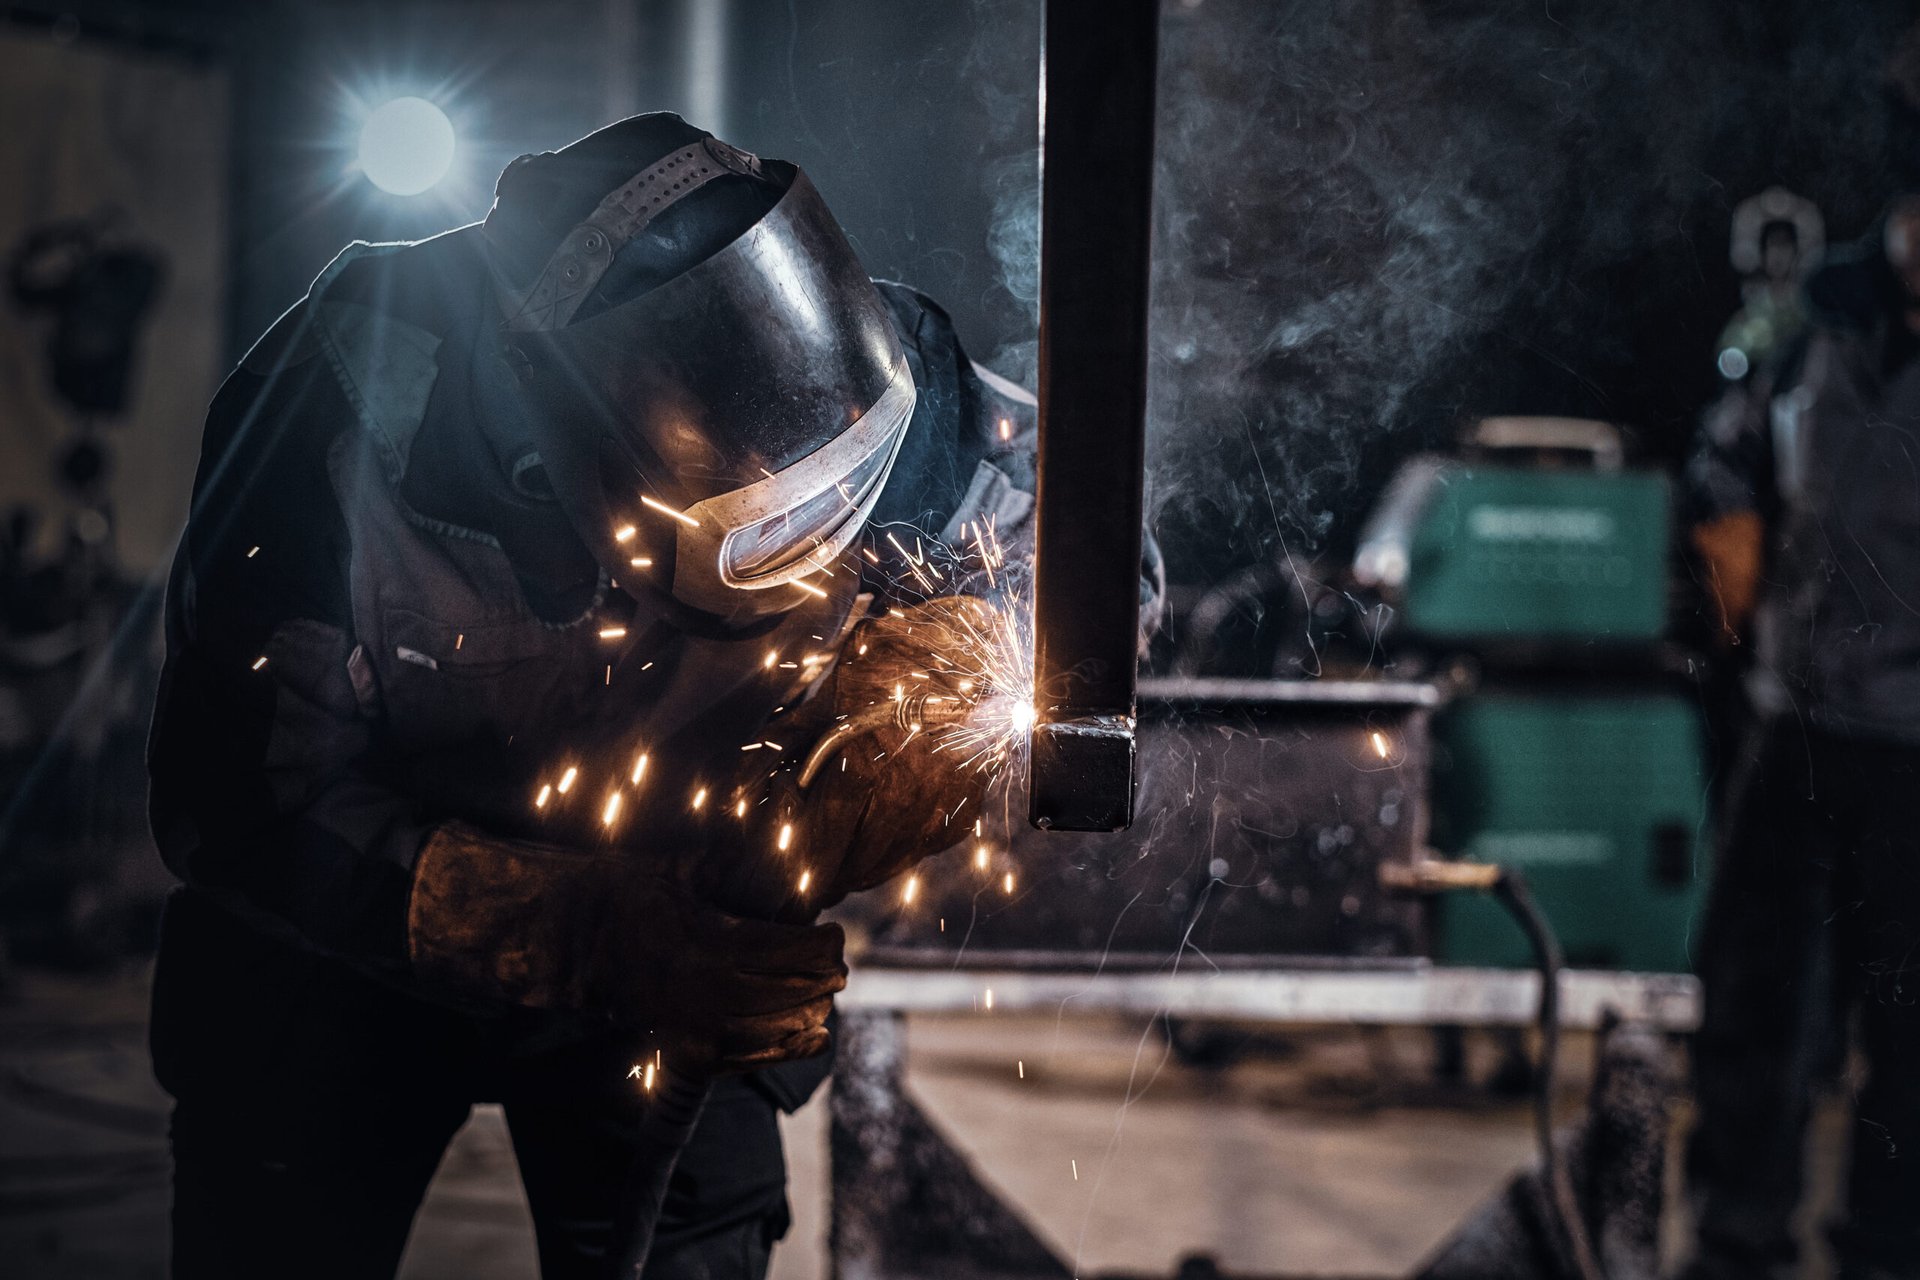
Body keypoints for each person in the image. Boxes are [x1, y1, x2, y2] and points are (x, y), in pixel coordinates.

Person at [147, 114, 1054, 1279]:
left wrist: (965, 660)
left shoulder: (869, 377)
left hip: (685, 922)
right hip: (341, 940)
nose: (818, 556)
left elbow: (1088, 572)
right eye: (762, 532)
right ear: (560, 459)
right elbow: (232, 799)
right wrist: (578, 929)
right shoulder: (329, 416)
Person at [1681, 187, 1920, 1280]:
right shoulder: (1818, 320)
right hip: (1798, 722)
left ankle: (1888, 1250)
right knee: (1753, 1005)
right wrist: (1733, 536)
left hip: (1916, 746)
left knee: (1910, 1035)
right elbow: (1730, 455)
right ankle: (1736, 1240)